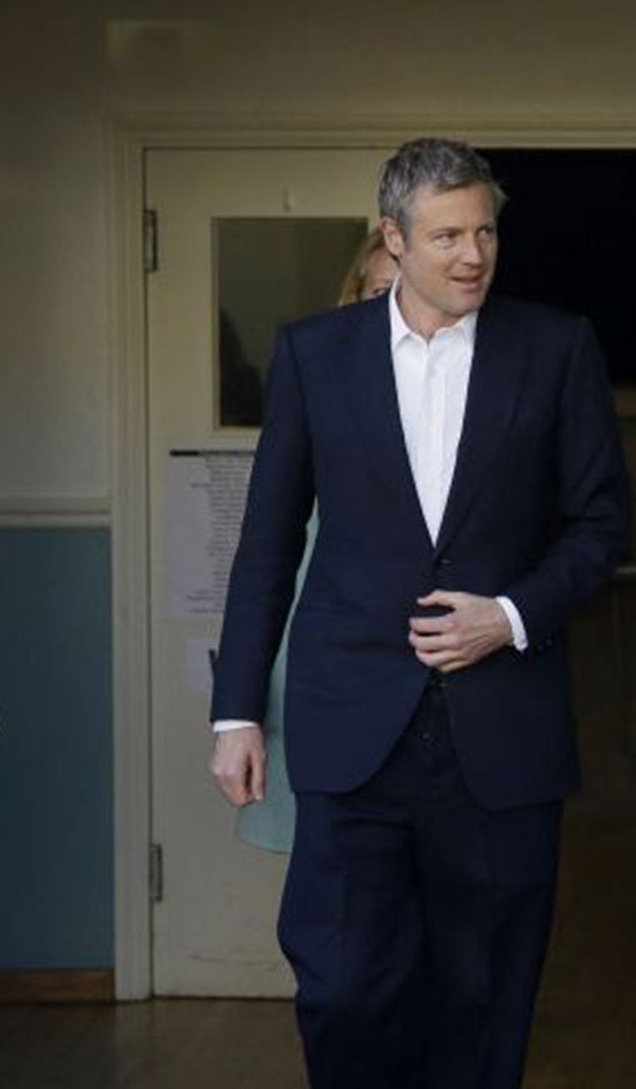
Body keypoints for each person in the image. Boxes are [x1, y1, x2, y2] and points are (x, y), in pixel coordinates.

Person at [208, 139, 630, 1089]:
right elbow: (269, 542)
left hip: (501, 732)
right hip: (352, 725)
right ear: (392, 239)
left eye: (485, 232)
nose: (473, 254)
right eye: (447, 235)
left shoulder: (556, 346)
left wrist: (511, 614)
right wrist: (236, 712)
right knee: (343, 984)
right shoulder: (315, 354)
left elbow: (602, 525)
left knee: (482, 998)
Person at [235, 227, 400, 856]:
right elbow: (269, 554)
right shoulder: (316, 384)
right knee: (329, 888)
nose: (398, 309)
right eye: (383, 291)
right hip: (313, 673)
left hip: (421, 684)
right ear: (352, 297)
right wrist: (244, 710)